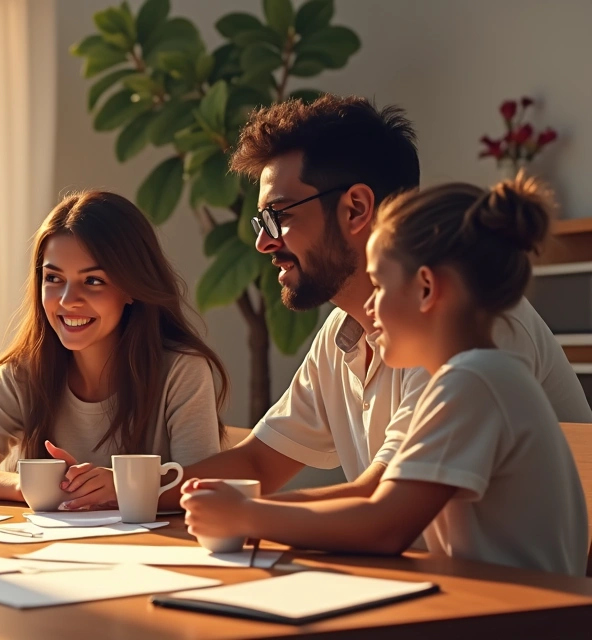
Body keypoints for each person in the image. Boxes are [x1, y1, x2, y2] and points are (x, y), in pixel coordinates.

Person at [180, 95, 591, 501]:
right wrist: (132, 490)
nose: (262, 243)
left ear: (356, 208)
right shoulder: (343, 333)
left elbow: (381, 505)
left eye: (278, 216)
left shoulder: (465, 322)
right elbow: (258, 464)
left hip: (517, 572)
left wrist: (248, 513)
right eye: (260, 223)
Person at [182, 176, 589, 576]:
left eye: (378, 285)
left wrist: (247, 516)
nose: (369, 307)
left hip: (532, 618)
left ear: (426, 288)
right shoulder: (475, 374)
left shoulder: (474, 379)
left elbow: (385, 523)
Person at [0, 190, 228, 512]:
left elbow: (202, 487)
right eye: (54, 278)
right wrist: (30, 486)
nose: (68, 299)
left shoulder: (182, 371)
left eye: (93, 281)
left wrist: (120, 486)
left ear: (131, 287)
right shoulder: (23, 373)